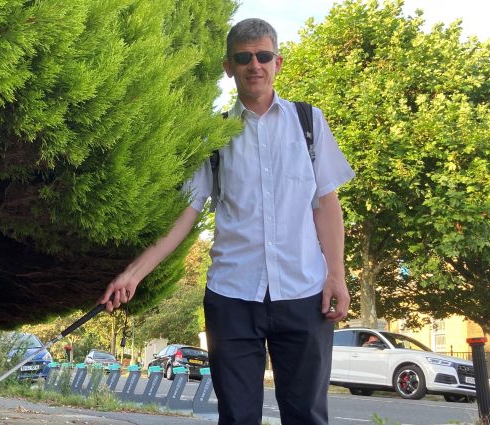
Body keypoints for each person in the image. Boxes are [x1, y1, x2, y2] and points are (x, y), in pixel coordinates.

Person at [101, 18, 354, 425]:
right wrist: (133, 273)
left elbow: (326, 205)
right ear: (228, 66)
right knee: (237, 417)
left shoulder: (310, 124)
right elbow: (186, 213)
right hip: (233, 295)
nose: (255, 64)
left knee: (307, 415)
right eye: (243, 57)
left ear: (278, 62)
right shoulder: (214, 136)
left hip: (304, 293)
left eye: (263, 56)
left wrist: (337, 276)